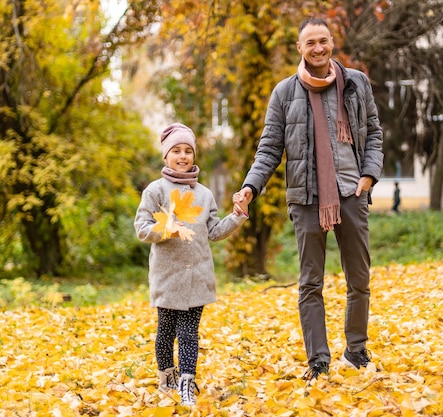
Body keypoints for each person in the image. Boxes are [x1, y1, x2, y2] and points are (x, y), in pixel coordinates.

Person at [234, 17, 384, 380]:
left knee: (359, 279)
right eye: (310, 43)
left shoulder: (356, 83)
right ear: (299, 49)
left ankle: (356, 351)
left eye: (323, 40)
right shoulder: (285, 93)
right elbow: (269, 148)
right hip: (306, 199)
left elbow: (375, 133)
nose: (318, 48)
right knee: (310, 283)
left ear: (332, 43)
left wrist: (368, 176)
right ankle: (318, 360)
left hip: (351, 193)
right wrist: (250, 186)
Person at [134, 123, 248, 406]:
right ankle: (167, 377)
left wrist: (237, 216)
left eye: (188, 151)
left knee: (189, 333)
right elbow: (141, 228)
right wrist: (165, 230)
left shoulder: (204, 194)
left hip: (198, 276)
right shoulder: (155, 191)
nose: (183, 156)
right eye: (176, 150)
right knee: (165, 334)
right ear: (166, 156)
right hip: (167, 276)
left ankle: (187, 382)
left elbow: (214, 231)